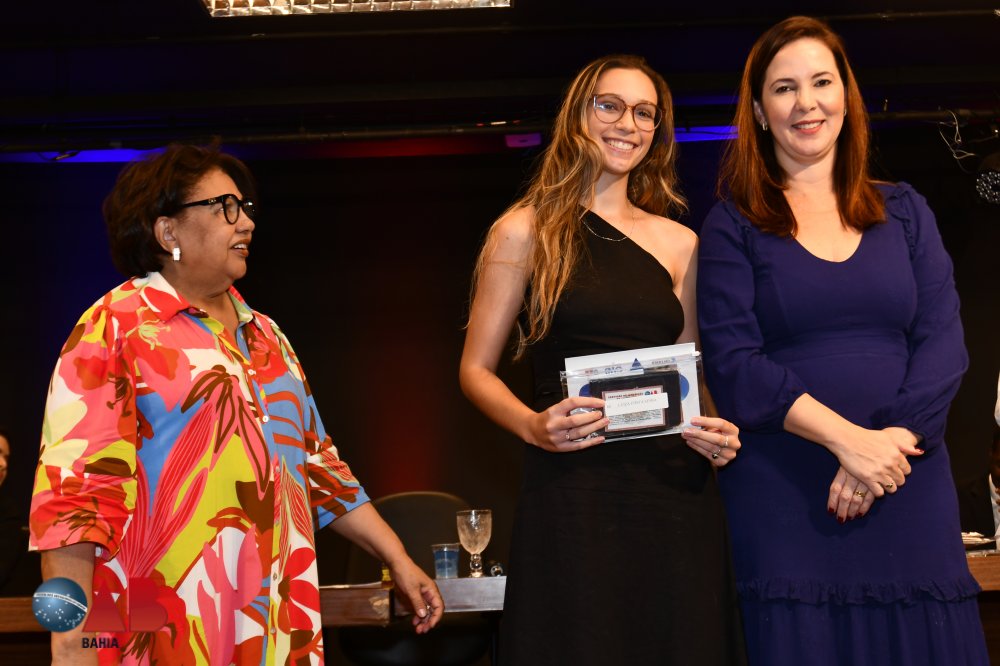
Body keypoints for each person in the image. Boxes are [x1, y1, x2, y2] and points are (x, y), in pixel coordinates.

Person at [28, 144, 443, 665]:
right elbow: (73, 498)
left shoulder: (268, 336)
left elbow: (319, 468)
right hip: (162, 630)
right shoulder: (116, 325)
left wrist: (397, 557)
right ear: (168, 232)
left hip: (276, 626)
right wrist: (71, 643)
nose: (245, 221)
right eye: (224, 207)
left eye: (245, 206)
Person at [697, 16, 988, 665]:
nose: (807, 102)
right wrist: (848, 442)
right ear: (759, 112)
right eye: (784, 88)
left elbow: (943, 344)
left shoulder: (905, 210)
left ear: (846, 97)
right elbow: (735, 366)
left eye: (821, 82)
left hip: (906, 478)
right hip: (786, 494)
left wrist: (885, 448)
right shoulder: (731, 225)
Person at [459, 54, 746, 665]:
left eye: (645, 113)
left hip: (674, 492)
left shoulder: (681, 242)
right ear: (577, 116)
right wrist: (532, 426)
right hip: (575, 491)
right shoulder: (524, 231)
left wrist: (718, 431)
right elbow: (475, 371)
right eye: (609, 106)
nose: (628, 124)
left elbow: (689, 369)